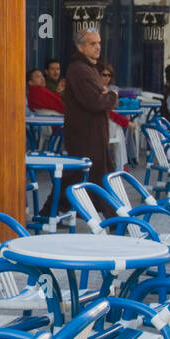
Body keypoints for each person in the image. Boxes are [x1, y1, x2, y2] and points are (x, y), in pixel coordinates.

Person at [51, 29, 121, 216]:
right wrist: (112, 96)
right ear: (80, 47)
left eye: (98, 43)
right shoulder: (80, 69)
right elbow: (95, 101)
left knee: (81, 174)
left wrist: (106, 95)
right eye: (92, 43)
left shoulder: (90, 68)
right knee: (91, 175)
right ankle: (113, 218)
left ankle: (53, 210)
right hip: (86, 134)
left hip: (93, 133)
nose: (98, 47)